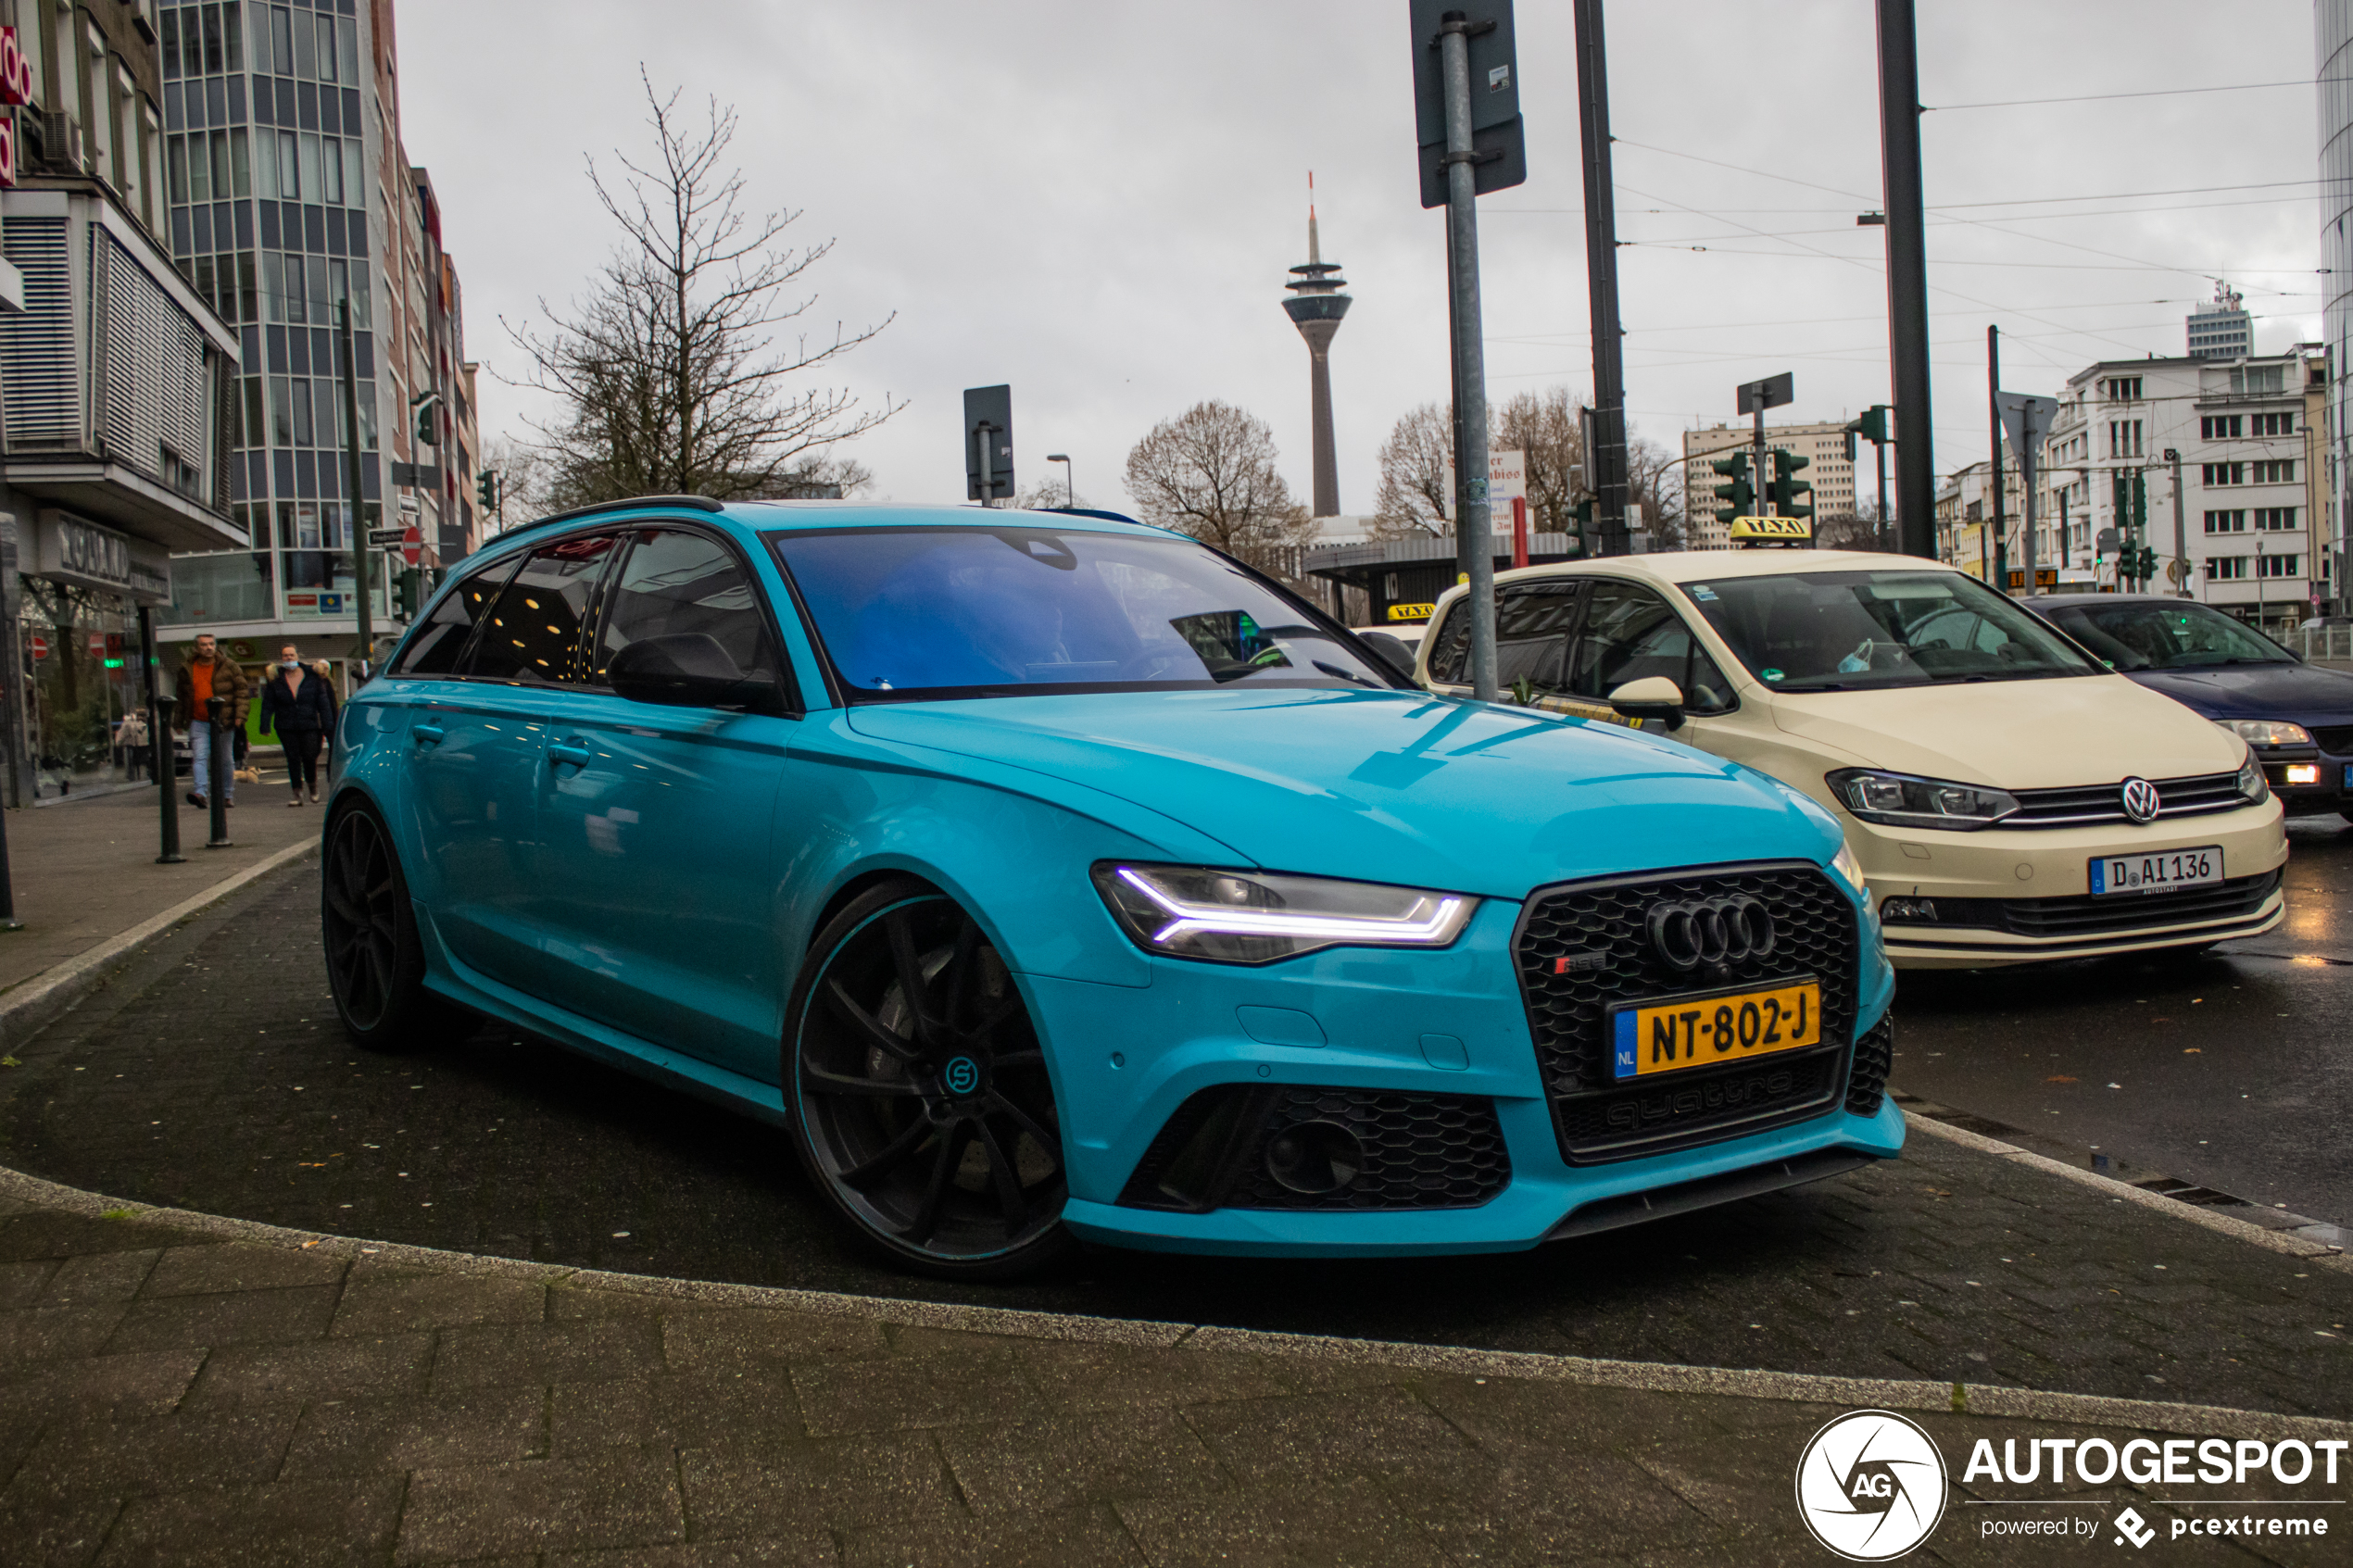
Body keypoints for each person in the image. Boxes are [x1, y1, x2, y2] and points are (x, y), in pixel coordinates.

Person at [172, 633, 250, 809]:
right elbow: (182, 697)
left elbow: (242, 692)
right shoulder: (188, 668)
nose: (208, 647)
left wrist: (240, 715)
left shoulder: (228, 666)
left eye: (211, 644)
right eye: (204, 645)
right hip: (198, 720)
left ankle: (227, 795)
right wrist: (178, 721)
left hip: (223, 720)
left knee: (225, 759)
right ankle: (200, 793)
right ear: (196, 648)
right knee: (199, 757)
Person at [257, 644, 335, 806]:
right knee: (292, 759)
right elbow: (268, 704)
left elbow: (323, 702)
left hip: (310, 725)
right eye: (285, 656)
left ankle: (313, 788)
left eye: (291, 655)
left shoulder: (312, 676)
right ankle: (296, 793)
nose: (289, 658)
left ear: (297, 657)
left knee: (309, 756)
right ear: (282, 659)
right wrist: (265, 725)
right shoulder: (275, 680)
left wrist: (328, 724)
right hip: (286, 725)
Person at [117, 707, 150, 782]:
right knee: (145, 760)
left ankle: (132, 776)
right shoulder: (147, 724)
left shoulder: (128, 724)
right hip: (144, 745)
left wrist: (118, 742)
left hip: (132, 745)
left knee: (131, 761)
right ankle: (147, 774)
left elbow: (122, 734)